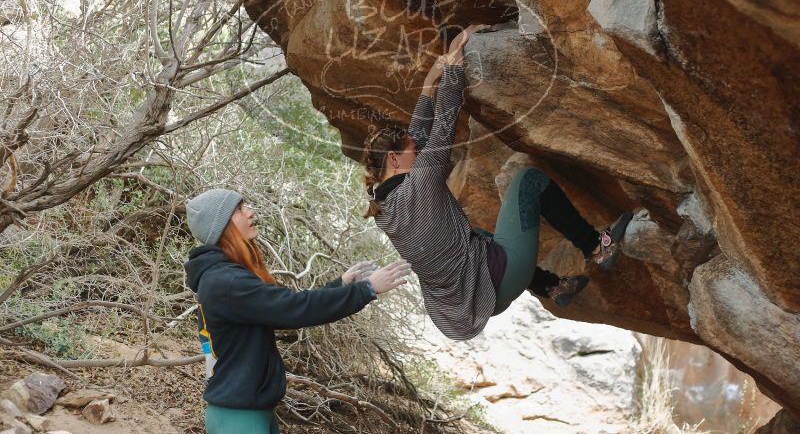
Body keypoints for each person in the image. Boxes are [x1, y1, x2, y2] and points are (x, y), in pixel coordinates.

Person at [360, 24, 633, 340]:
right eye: (410, 150)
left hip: (479, 302)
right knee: (528, 180)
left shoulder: (384, 209)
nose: (417, 150)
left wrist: (427, 84)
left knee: (476, 234)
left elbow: (417, 137)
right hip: (501, 277)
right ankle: (596, 247)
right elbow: (443, 124)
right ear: (393, 160)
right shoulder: (419, 183)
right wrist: (452, 70)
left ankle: (552, 286)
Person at [183, 188, 411, 433]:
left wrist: (340, 284)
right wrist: (366, 289)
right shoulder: (228, 282)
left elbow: (284, 304)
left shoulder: (222, 277)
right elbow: (295, 308)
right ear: (222, 225)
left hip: (244, 412)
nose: (250, 212)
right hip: (240, 419)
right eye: (240, 209)